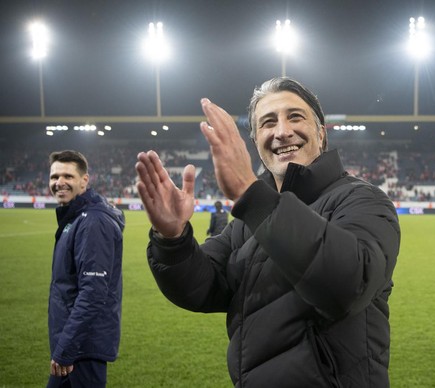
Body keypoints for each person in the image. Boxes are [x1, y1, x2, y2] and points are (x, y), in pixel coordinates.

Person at [135, 77, 400, 387]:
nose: (282, 131)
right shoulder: (247, 223)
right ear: (256, 141)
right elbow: (202, 287)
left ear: (321, 133)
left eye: (295, 117)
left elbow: (348, 286)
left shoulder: (362, 200)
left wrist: (251, 194)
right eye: (268, 122)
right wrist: (173, 238)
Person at [47, 150, 125, 388]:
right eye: (54, 177)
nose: (59, 182)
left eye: (68, 176)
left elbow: (92, 294)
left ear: (84, 180)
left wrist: (67, 347)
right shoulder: (75, 217)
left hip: (82, 348)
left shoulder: (92, 222)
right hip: (75, 344)